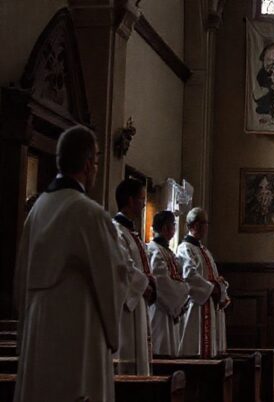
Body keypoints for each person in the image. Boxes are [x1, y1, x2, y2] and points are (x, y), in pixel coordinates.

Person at [14, 125, 125, 402]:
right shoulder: (88, 213)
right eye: (97, 162)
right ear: (88, 164)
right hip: (78, 331)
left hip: (38, 330)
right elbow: (112, 279)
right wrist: (114, 336)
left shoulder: (37, 210)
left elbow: (20, 280)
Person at [113, 178, 155, 375]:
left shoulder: (131, 232)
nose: (144, 204)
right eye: (141, 199)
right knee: (127, 362)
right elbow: (122, 265)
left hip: (138, 304)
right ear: (130, 201)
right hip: (126, 309)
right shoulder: (116, 230)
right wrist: (144, 285)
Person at [177, 207, 230, 357]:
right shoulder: (185, 249)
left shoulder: (204, 250)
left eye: (206, 223)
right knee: (195, 351)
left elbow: (215, 277)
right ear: (194, 225)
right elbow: (189, 276)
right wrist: (212, 288)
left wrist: (220, 286)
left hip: (209, 305)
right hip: (196, 308)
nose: (206, 227)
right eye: (204, 223)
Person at [148, 210, 190, 356]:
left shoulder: (168, 252)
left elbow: (179, 275)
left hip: (171, 311)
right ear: (166, 227)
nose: (175, 228)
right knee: (161, 350)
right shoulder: (154, 250)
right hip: (161, 311)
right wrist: (184, 292)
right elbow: (161, 282)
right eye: (173, 225)